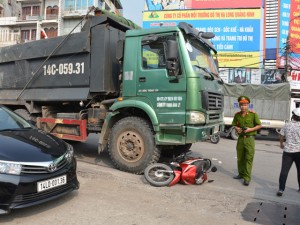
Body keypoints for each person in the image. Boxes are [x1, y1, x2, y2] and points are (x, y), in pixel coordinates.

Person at [231, 96, 262, 186]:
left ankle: (247, 178)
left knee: (248, 159)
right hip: (240, 139)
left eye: (245, 105)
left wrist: (250, 129)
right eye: (241, 105)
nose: (243, 107)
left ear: (248, 105)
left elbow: (259, 125)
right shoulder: (237, 115)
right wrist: (237, 129)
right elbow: (234, 124)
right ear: (239, 105)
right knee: (240, 158)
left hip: (250, 139)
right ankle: (241, 174)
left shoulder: (253, 114)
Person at [277, 108, 300, 196]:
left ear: (293, 115)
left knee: (284, 171)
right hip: (299, 152)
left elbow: (282, 136)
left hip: (288, 151)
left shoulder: (287, 125)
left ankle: (281, 189)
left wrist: (281, 144)